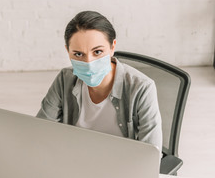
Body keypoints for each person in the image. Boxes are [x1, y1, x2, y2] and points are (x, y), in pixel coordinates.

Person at [36, 11, 162, 150]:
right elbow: (41, 131)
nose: (89, 62)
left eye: (97, 52)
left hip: (121, 165)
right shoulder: (65, 79)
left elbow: (150, 155)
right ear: (68, 51)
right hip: (75, 160)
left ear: (112, 47)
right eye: (78, 54)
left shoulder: (142, 87)